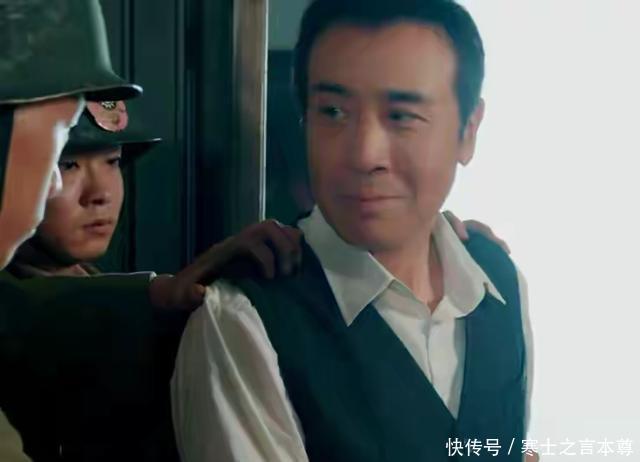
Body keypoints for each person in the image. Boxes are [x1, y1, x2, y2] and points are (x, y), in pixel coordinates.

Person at [171, 1, 535, 461]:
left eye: (401, 116)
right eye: (333, 112)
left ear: (468, 131)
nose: (364, 155)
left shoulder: (498, 283)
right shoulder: (244, 322)